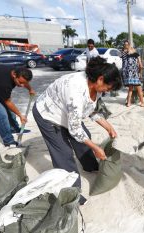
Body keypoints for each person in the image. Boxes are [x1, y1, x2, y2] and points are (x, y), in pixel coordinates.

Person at [33, 57, 122, 205]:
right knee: (64, 155)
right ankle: (72, 193)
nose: (108, 91)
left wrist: (108, 126)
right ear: (100, 79)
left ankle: (90, 166)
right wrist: (96, 148)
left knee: (84, 137)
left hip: (66, 113)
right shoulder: (75, 90)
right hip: (48, 115)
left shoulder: (96, 87)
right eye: (109, 87)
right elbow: (74, 129)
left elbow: (91, 110)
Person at [0, 65, 34, 146]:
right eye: (20, 83)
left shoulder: (18, 71)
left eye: (24, 83)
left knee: (10, 110)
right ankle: (8, 141)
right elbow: (7, 101)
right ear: (14, 75)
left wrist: (30, 89)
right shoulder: (4, 83)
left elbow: (24, 81)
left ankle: (14, 129)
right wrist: (20, 115)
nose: (22, 85)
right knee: (1, 114)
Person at [121, 40, 144, 107]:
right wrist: (140, 73)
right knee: (139, 89)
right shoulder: (136, 54)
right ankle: (142, 102)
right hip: (134, 74)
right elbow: (140, 66)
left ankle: (129, 103)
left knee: (130, 89)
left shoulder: (123, 53)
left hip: (128, 74)